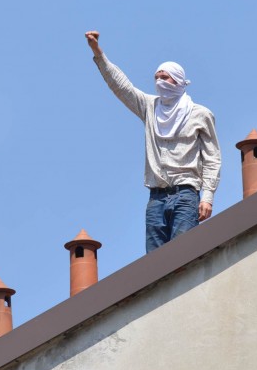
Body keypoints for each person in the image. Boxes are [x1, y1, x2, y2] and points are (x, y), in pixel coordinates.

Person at [85, 30, 221, 253]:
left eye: (164, 77)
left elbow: (212, 158)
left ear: (178, 80)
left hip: (186, 195)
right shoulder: (150, 107)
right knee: (155, 262)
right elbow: (122, 87)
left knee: (183, 255)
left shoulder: (200, 114)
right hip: (156, 198)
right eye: (156, 78)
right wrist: (98, 53)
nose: (159, 82)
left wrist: (207, 197)